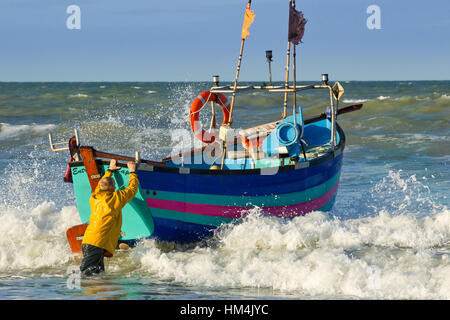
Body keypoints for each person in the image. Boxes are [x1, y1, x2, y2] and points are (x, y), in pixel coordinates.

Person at [79, 159, 138, 276]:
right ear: (111, 187)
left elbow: (100, 185)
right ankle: (80, 292)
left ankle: (99, 293)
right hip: (97, 243)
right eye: (114, 185)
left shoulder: (95, 196)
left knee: (98, 275)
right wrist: (132, 172)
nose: (116, 186)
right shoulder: (115, 198)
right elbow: (132, 190)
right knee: (86, 275)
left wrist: (110, 170)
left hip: (89, 241)